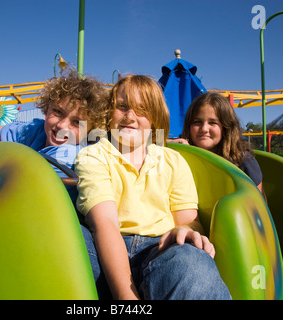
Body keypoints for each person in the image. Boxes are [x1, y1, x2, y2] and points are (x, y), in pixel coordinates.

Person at [74, 75, 231, 300]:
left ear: (155, 118)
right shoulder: (93, 155)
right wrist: (127, 298)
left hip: (159, 247)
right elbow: (105, 224)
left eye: (141, 110)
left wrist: (186, 229)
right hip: (105, 247)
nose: (130, 116)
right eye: (122, 107)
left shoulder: (172, 160)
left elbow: (188, 219)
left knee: (193, 261)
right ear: (110, 113)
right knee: (72, 239)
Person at [0, 71, 109, 199]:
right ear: (47, 108)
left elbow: (20, 189)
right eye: (58, 112)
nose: (62, 126)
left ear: (90, 130)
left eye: (77, 122)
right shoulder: (37, 130)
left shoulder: (69, 156)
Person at [180, 92, 265, 196]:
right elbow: (157, 140)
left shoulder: (242, 160)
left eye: (213, 123)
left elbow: (259, 204)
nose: (204, 129)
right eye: (197, 122)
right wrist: (166, 143)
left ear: (226, 127)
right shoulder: (181, 155)